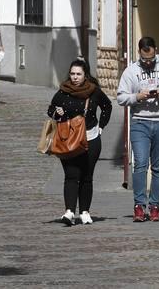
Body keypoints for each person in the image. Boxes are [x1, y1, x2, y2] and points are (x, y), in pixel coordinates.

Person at [116, 36, 159, 222]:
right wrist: (138, 96)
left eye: (151, 58)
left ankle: (155, 206)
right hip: (140, 123)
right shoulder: (131, 71)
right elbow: (121, 97)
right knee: (140, 164)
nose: (148, 62)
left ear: (155, 50)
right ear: (139, 53)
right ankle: (139, 206)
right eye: (145, 59)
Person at [47, 58, 112, 225]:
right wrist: (58, 113)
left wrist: (101, 127)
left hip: (91, 139)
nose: (75, 77)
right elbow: (50, 110)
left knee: (86, 176)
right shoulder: (63, 91)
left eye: (79, 74)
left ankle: (84, 212)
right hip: (67, 140)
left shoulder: (94, 91)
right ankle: (69, 212)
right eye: (72, 74)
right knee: (71, 175)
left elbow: (107, 106)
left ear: (85, 76)